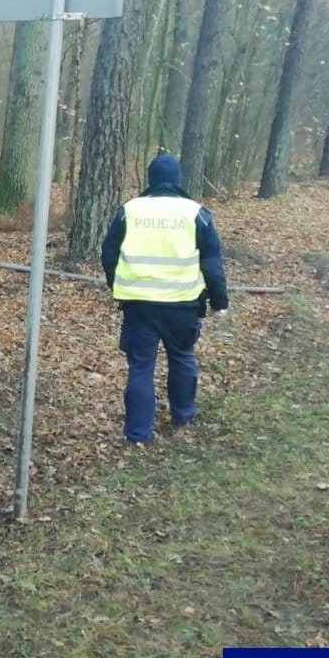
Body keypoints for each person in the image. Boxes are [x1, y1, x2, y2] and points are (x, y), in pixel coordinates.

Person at [101, 151, 229, 445]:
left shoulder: (129, 210)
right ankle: (183, 414)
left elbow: (108, 254)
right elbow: (212, 263)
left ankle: (138, 434)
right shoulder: (196, 213)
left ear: (151, 179)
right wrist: (219, 301)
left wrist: (117, 285)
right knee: (182, 357)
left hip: (139, 305)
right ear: (178, 180)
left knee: (141, 367)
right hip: (183, 304)